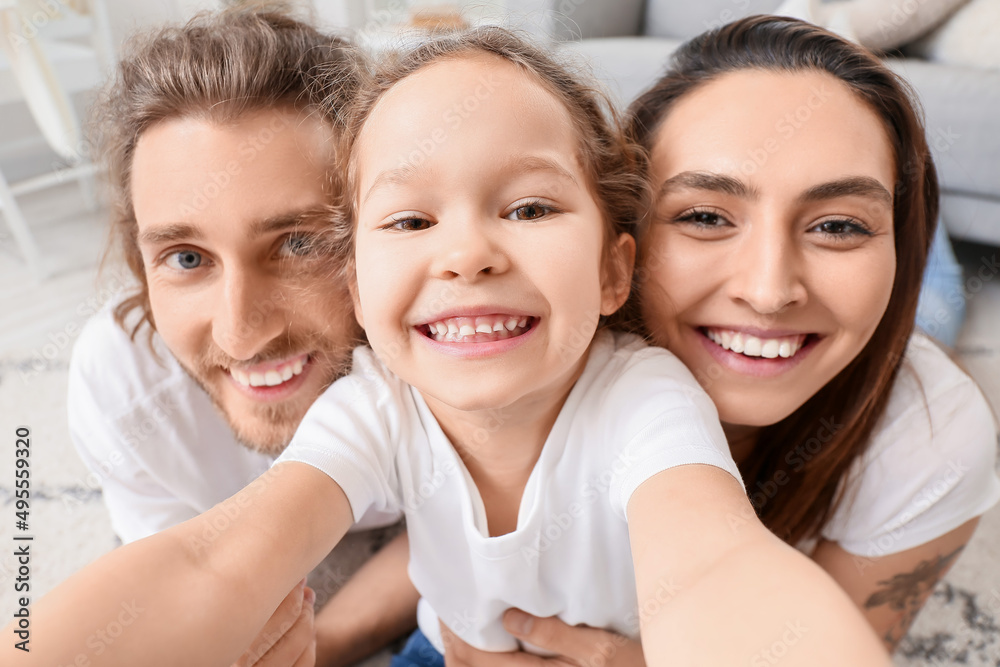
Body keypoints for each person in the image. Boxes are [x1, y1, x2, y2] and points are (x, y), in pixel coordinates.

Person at [5, 26, 891, 667]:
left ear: (616, 272)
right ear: (362, 281)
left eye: (532, 207)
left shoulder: (646, 400)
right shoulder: (377, 403)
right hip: (444, 644)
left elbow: (714, 562)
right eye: (410, 218)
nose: (466, 253)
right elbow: (212, 558)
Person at [439, 15, 1000, 666]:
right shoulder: (544, 342)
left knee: (932, 308)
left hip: (907, 308)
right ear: (625, 242)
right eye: (705, 216)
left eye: (840, 225)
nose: (768, 290)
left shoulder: (934, 435)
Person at [70, 9, 416, 666]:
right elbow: (175, 573)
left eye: (299, 243)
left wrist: (330, 640)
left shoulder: (437, 346)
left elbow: (471, 526)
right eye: (187, 257)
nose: (242, 333)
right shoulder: (121, 382)